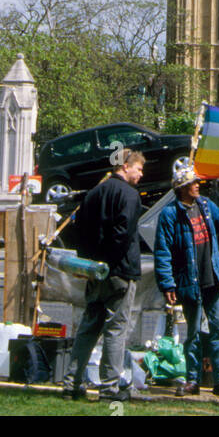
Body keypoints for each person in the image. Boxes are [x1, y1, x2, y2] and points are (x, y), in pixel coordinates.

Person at [62, 147, 150, 403]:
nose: (141, 174)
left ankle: (71, 383)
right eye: (139, 168)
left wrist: (91, 265)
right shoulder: (130, 195)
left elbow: (78, 230)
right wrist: (110, 264)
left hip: (95, 271)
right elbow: (122, 234)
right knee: (115, 329)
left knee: (89, 327)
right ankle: (109, 388)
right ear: (125, 166)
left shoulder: (94, 192)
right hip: (119, 271)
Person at [153, 159, 219, 399]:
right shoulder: (169, 214)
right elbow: (163, 251)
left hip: (213, 278)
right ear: (181, 187)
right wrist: (167, 283)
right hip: (189, 283)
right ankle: (192, 379)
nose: (198, 185)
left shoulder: (207, 205)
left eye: (197, 181)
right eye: (193, 182)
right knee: (192, 333)